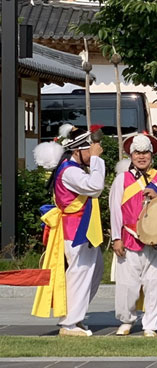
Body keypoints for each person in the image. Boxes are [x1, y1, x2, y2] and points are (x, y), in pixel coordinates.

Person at [109, 131, 157, 337]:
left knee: (156, 284)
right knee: (127, 286)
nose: (141, 156)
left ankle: (151, 324)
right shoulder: (122, 179)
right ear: (131, 155)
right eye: (137, 153)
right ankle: (126, 320)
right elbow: (115, 210)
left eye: (145, 152)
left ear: (152, 155)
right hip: (129, 238)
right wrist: (116, 238)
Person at [31, 124, 106, 336]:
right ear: (77, 151)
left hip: (83, 229)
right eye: (89, 150)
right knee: (79, 274)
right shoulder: (71, 172)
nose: (92, 154)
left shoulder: (71, 168)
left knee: (94, 270)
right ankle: (69, 323)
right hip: (75, 231)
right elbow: (96, 187)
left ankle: (75, 316)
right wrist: (98, 161)